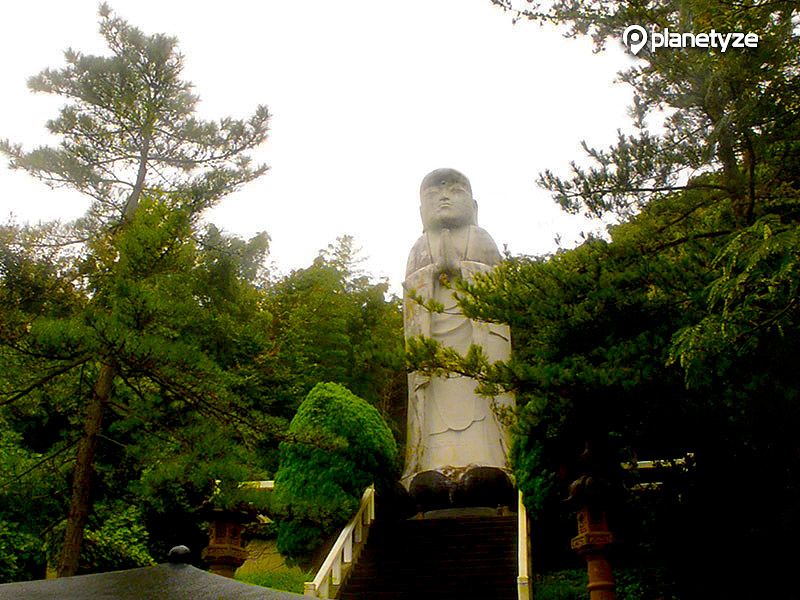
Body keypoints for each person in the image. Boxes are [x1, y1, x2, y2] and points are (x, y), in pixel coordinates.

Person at [402, 168, 514, 510]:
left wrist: (464, 270)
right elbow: (411, 304)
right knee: (430, 403)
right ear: (422, 212)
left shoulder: (482, 240)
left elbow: (499, 293)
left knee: (486, 399)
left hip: (479, 346)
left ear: (474, 206)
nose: (444, 197)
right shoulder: (420, 248)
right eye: (434, 194)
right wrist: (432, 274)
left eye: (454, 190)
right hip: (434, 350)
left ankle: (492, 465)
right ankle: (429, 469)